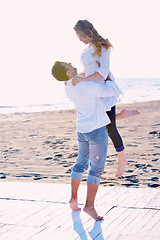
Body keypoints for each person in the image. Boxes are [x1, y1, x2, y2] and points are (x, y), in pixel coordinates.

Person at [51, 61, 139, 221]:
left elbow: (96, 108)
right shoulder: (84, 86)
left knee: (80, 164)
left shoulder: (68, 86)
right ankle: (89, 206)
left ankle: (73, 198)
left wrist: (120, 116)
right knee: (96, 170)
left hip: (83, 130)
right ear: (68, 73)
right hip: (96, 131)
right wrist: (106, 74)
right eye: (67, 64)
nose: (71, 63)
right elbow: (112, 90)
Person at [71, 19, 135, 178]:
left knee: (110, 128)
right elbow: (87, 70)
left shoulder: (103, 46)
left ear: (88, 31)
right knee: (101, 123)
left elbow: (103, 72)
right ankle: (123, 115)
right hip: (93, 90)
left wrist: (84, 80)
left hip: (104, 89)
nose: (79, 39)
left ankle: (122, 159)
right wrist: (77, 77)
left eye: (80, 35)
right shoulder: (87, 49)